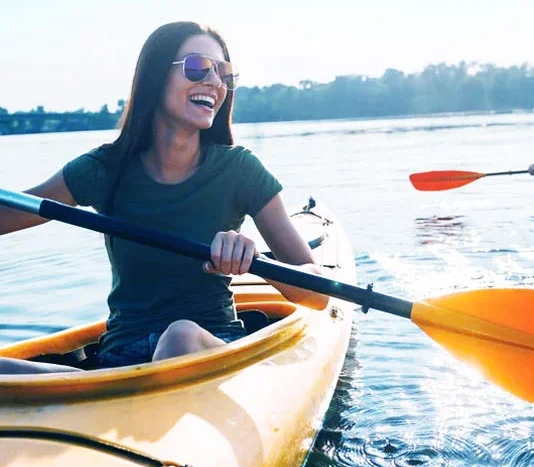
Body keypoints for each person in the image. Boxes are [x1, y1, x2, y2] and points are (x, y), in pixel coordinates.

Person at [0, 21, 329, 374]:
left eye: (225, 73)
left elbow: (318, 293)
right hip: (119, 361)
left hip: (207, 347)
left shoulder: (240, 170)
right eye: (198, 67)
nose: (216, 82)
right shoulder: (103, 169)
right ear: (156, 77)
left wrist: (252, 258)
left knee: (179, 337)